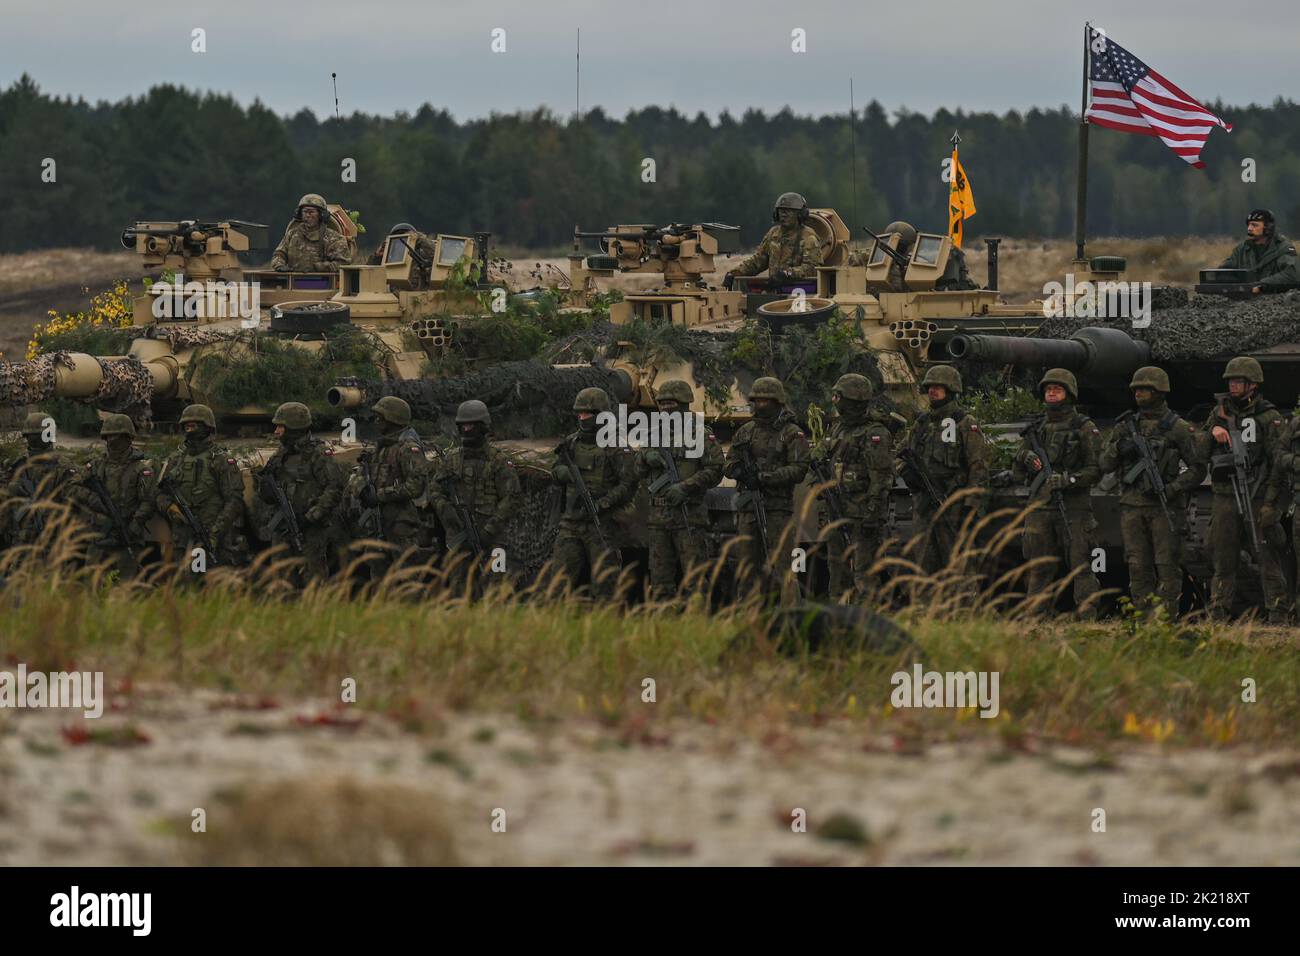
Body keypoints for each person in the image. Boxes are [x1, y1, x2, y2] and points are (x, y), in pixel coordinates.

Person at [1098, 367, 1204, 616]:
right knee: (1137, 565)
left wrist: (1172, 488)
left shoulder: (1177, 427)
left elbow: (1198, 469)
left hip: (1164, 506)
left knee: (1167, 565)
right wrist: (1119, 448)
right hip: (1131, 506)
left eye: (1145, 389)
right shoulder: (1125, 427)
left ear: (1159, 391)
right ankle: (1143, 617)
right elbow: (1104, 463)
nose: (1139, 393)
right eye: (1136, 389)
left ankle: (1165, 618)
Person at [1201, 356, 1289, 622]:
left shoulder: (1269, 417)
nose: (1233, 385)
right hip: (1225, 495)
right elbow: (1198, 451)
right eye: (1231, 381)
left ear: (1252, 384)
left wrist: (1271, 503)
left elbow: (1278, 461)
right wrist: (1212, 431)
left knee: (1267, 558)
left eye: (1239, 381)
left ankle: (1277, 615)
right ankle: (1218, 614)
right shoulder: (1218, 413)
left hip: (1257, 494)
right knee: (1222, 559)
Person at [1012, 369, 1102, 615]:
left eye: (1058, 389)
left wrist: (1070, 479)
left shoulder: (1083, 427)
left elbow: (1096, 469)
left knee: (1080, 564)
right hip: (1041, 504)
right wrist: (1026, 456)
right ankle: (1035, 616)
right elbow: (1018, 464)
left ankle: (1087, 616)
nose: (1052, 392)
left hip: (1073, 506)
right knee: (1039, 565)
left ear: (1069, 394)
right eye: (1049, 389)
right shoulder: (1037, 428)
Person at [635, 380, 724, 603]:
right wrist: (645, 457)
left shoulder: (701, 434)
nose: (666, 408)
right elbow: (636, 470)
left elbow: (715, 470)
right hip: (658, 519)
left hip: (689, 516)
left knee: (696, 579)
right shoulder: (652, 435)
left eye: (671, 403)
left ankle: (696, 623)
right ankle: (664, 626)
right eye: (662, 403)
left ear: (684, 404)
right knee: (660, 580)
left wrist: (686, 487)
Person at [723, 377, 810, 600]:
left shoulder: (792, 433)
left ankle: (791, 614)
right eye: (757, 400)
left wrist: (763, 478)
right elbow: (728, 462)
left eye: (765, 400)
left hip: (777, 510)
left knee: (784, 567)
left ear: (777, 401)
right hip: (749, 510)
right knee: (748, 568)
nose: (760, 405)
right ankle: (750, 616)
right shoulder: (745, 431)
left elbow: (799, 469)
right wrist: (740, 472)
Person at [896, 365, 989, 573]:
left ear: (951, 389)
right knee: (924, 563)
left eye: (939, 387)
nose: (933, 391)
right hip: (923, 504)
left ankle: (962, 605)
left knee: (958, 565)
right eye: (930, 387)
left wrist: (970, 506)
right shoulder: (921, 423)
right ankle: (926, 605)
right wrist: (905, 471)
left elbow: (978, 467)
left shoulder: (964, 422)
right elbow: (899, 453)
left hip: (952, 503)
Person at [812, 373, 894, 603]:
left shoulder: (874, 433)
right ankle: (838, 618)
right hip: (837, 512)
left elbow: (881, 478)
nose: (835, 401)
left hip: (862, 515)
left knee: (864, 573)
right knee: (837, 570)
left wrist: (872, 515)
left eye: (840, 397)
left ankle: (868, 622)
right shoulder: (839, 430)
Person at [550, 388, 636, 599]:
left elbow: (629, 484)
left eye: (587, 414)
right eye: (579, 413)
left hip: (601, 525)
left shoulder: (615, 444)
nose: (582, 418)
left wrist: (603, 504)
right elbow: (556, 469)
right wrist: (561, 472)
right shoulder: (571, 442)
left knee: (605, 588)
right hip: (571, 523)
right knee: (558, 585)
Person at [430, 399, 522, 592]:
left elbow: (512, 498)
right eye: (463, 425)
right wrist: (446, 510)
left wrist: (489, 530)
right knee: (459, 590)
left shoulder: (498, 461)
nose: (466, 430)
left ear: (482, 426)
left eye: (470, 425)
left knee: (497, 590)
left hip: (494, 539)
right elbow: (435, 490)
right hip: (459, 537)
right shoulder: (452, 459)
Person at [256, 402, 344, 583]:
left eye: (281, 426)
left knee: (313, 579)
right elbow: (267, 493)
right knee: (281, 578)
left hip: (311, 529)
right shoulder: (280, 455)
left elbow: (335, 487)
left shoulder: (318, 454)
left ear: (294, 427)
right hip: (283, 527)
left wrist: (312, 515)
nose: (276, 431)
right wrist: (264, 485)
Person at [155, 404, 249, 571]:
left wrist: (215, 532)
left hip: (213, 536)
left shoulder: (221, 460)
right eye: (187, 425)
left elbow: (234, 501)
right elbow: (160, 494)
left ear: (206, 427)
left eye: (194, 425)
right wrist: (170, 508)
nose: (189, 429)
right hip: (183, 538)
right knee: (184, 587)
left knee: (213, 585)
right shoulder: (176, 459)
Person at [346, 396, 430, 578]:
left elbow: (416, 486)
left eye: (381, 418)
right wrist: (361, 489)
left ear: (393, 419)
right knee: (377, 572)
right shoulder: (380, 449)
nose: (376, 421)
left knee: (408, 574)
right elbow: (356, 476)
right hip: (377, 522)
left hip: (400, 523)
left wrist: (380, 495)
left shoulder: (407, 449)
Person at [66, 414, 157, 579]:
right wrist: (92, 499)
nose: (111, 441)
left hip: (127, 535)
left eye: (116, 436)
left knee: (125, 589)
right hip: (100, 536)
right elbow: (71, 487)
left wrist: (134, 525)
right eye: (108, 436)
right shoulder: (96, 465)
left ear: (127, 437)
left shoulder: (140, 468)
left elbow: (149, 501)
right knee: (92, 586)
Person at [723, 193, 823, 288]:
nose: (784, 214)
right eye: (781, 211)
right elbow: (758, 261)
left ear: (800, 214)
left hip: (800, 291)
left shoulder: (809, 238)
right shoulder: (773, 234)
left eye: (789, 211)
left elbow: (812, 269)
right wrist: (734, 273)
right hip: (775, 289)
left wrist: (787, 273)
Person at [1, 411, 70, 548]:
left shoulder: (63, 467)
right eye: (31, 436)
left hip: (54, 541)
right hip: (20, 540)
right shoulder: (16, 465)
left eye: (36, 436)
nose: (33, 439)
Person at [1218, 209, 1300, 294]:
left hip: (1275, 300)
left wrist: (1262, 286)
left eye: (1254, 225)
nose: (1249, 229)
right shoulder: (1242, 249)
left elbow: (1292, 275)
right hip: (1245, 300)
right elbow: (1225, 270)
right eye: (1248, 225)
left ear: (1267, 228)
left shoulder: (1283, 247)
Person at [269, 193, 352, 273]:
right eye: (305, 212)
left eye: (311, 212)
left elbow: (343, 263)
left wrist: (317, 267)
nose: (307, 215)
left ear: (321, 215)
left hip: (324, 282)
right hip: (293, 281)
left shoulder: (333, 237)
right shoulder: (292, 234)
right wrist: (279, 265)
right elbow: (279, 254)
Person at [367, 222, 438, 288]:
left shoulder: (420, 255)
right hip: (394, 292)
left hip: (416, 290)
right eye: (397, 242)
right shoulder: (388, 257)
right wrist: (377, 255)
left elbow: (436, 254)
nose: (401, 245)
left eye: (405, 239)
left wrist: (420, 238)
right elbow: (368, 271)